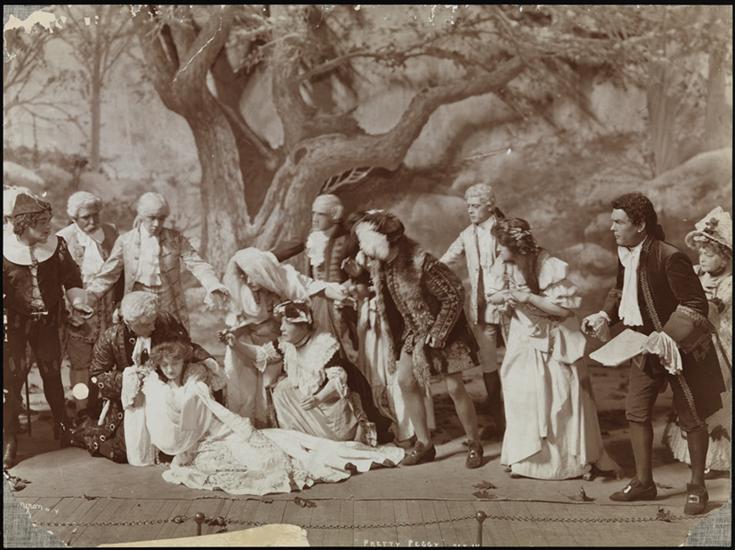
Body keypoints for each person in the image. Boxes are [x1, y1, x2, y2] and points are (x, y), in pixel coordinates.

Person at [582, 193, 725, 516]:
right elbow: (622, 291)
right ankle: (644, 482)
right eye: (612, 221)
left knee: (692, 416)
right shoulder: (627, 253)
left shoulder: (670, 257)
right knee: (635, 411)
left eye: (618, 222)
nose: (612, 228)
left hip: (682, 347)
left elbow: (696, 305)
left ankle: (697, 488)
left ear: (640, 224)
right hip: (643, 345)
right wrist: (604, 316)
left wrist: (667, 337)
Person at [126, 340, 405, 496]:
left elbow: (204, 409)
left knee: (274, 456)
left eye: (175, 363)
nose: (170, 369)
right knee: (253, 462)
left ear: (184, 363)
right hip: (202, 441)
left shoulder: (194, 383)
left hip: (219, 431)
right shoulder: (162, 388)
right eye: (165, 365)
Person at [352, 210, 484, 468]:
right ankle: (424, 444)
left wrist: (438, 333)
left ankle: (474, 443)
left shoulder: (422, 263)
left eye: (366, 241)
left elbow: (454, 294)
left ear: (385, 240)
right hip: (416, 331)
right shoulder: (383, 265)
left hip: (446, 329)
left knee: (454, 387)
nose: (363, 247)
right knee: (405, 380)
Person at [487, 218, 617, 480]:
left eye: (501, 245)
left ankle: (564, 463)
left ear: (515, 246)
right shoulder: (504, 264)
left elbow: (564, 310)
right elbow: (493, 295)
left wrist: (528, 297)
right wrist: (507, 297)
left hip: (555, 337)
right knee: (520, 393)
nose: (498, 250)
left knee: (558, 395)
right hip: (524, 336)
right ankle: (526, 459)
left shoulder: (547, 265)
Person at [71, 291, 223, 463]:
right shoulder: (111, 337)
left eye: (153, 321)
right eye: (145, 324)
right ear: (129, 323)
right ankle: (83, 433)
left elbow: (184, 347)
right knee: (124, 452)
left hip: (164, 390)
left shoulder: (164, 322)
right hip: (133, 401)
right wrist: (127, 379)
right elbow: (96, 375)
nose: (152, 327)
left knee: (176, 443)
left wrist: (206, 361)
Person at [3, 190, 92, 468]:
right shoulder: (5, 251)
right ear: (23, 225)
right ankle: (9, 438)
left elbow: (71, 278)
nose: (48, 227)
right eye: (41, 223)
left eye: (48, 221)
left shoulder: (58, 246)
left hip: (49, 322)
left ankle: (63, 428)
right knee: (12, 378)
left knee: (52, 374)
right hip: (16, 325)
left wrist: (78, 302)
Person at [84, 192, 230, 330]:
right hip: (137, 302)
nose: (156, 223)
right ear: (141, 216)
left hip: (170, 302)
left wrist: (213, 285)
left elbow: (197, 264)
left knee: (173, 342)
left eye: (161, 218)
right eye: (152, 218)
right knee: (139, 341)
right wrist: (88, 299)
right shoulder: (126, 241)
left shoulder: (175, 239)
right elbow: (109, 274)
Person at [663, 207, 732, 478]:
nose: (702, 257)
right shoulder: (696, 274)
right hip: (695, 339)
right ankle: (696, 448)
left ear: (726, 257)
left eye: (710, 254)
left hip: (721, 341)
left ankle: (718, 457)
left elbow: (712, 309)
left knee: (721, 394)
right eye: (701, 252)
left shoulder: (729, 283)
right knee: (694, 391)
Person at [440, 182, 506, 440]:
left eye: (476, 206)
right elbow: (446, 260)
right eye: (468, 206)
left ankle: (526, 422)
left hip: (509, 307)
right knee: (489, 366)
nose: (470, 210)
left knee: (517, 362)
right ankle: (501, 424)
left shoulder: (504, 229)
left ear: (490, 206)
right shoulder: (467, 234)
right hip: (481, 310)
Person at [219, 247, 312, 426]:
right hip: (251, 343)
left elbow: (282, 322)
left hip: (273, 345)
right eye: (245, 276)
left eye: (252, 276)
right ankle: (249, 422)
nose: (249, 281)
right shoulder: (245, 293)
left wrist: (275, 320)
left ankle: (272, 423)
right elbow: (240, 318)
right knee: (246, 387)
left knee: (267, 387)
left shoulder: (275, 295)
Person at [57, 191, 123, 417]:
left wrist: (119, 302)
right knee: (80, 363)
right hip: (77, 307)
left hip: (108, 306)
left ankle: (104, 406)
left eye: (96, 215)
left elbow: (120, 270)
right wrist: (70, 308)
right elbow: (59, 278)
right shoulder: (63, 238)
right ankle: (82, 408)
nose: (93, 221)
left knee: (107, 357)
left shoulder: (111, 232)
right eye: (86, 217)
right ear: (74, 218)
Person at [272, 194, 360, 364]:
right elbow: (292, 252)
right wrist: (265, 258)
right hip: (315, 301)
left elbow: (359, 276)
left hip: (340, 303)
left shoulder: (348, 239)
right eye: (313, 213)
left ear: (334, 215)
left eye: (320, 214)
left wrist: (345, 289)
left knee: (344, 348)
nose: (315, 218)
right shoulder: (312, 237)